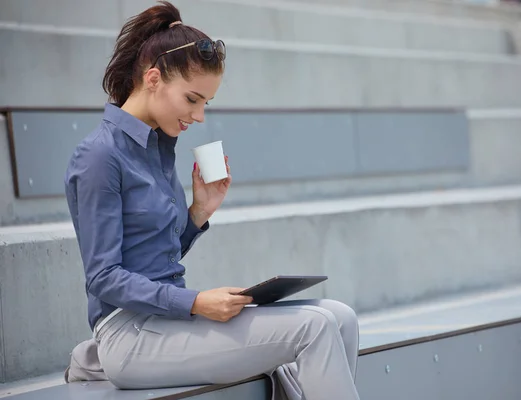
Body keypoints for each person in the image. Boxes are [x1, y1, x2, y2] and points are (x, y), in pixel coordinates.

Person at [63, 1, 360, 399]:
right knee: (315, 327)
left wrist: (198, 212)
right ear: (153, 79)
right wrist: (195, 302)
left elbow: (153, 256)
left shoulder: (159, 147)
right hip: (130, 336)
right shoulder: (99, 156)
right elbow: (104, 278)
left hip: (169, 322)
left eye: (206, 103)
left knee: (340, 317)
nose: (199, 116)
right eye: (192, 99)